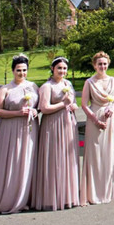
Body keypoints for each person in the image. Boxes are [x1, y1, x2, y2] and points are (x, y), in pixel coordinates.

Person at [0, 54, 39, 214]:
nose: (22, 73)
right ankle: (9, 199)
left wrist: (34, 111)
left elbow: (39, 106)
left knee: (27, 161)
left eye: (24, 70)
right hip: (10, 129)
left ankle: (26, 198)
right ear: (13, 70)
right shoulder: (5, 89)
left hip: (29, 129)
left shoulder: (33, 86)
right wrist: (18, 113)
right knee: (13, 161)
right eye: (18, 70)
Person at [31, 56, 80, 211]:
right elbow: (44, 108)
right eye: (59, 68)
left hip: (68, 123)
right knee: (54, 158)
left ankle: (67, 195)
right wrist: (62, 104)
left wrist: (73, 106)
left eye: (65, 68)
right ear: (52, 69)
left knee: (67, 158)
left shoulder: (68, 84)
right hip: (52, 125)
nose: (62, 71)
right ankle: (51, 196)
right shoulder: (47, 86)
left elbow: (73, 102)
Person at [80, 51, 114, 205]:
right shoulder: (89, 82)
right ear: (94, 65)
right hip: (94, 118)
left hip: (109, 120)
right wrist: (95, 120)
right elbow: (83, 104)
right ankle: (93, 192)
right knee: (94, 154)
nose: (102, 66)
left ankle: (107, 190)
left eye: (104, 63)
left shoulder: (113, 81)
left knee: (108, 153)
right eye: (99, 64)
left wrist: (112, 109)